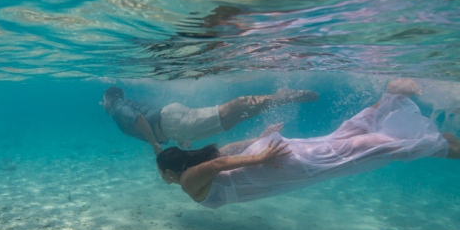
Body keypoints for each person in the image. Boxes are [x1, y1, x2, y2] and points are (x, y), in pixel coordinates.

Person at [155, 81, 460, 209]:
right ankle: (390, 99)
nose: (164, 181)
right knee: (341, 141)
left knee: (351, 152)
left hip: (276, 164)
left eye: (163, 175)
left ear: (174, 170)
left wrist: (260, 156)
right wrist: (259, 142)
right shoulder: (201, 158)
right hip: (272, 156)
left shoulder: (187, 182)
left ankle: (432, 143)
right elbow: (225, 153)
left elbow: (217, 166)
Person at [103, 86, 318, 155]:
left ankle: (280, 97)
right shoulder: (120, 107)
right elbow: (145, 121)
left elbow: (139, 120)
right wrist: (175, 138)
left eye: (102, 101)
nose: (101, 104)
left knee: (227, 111)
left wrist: (155, 144)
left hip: (170, 122)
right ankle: (277, 100)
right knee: (230, 120)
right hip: (173, 128)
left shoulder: (117, 107)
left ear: (109, 98)